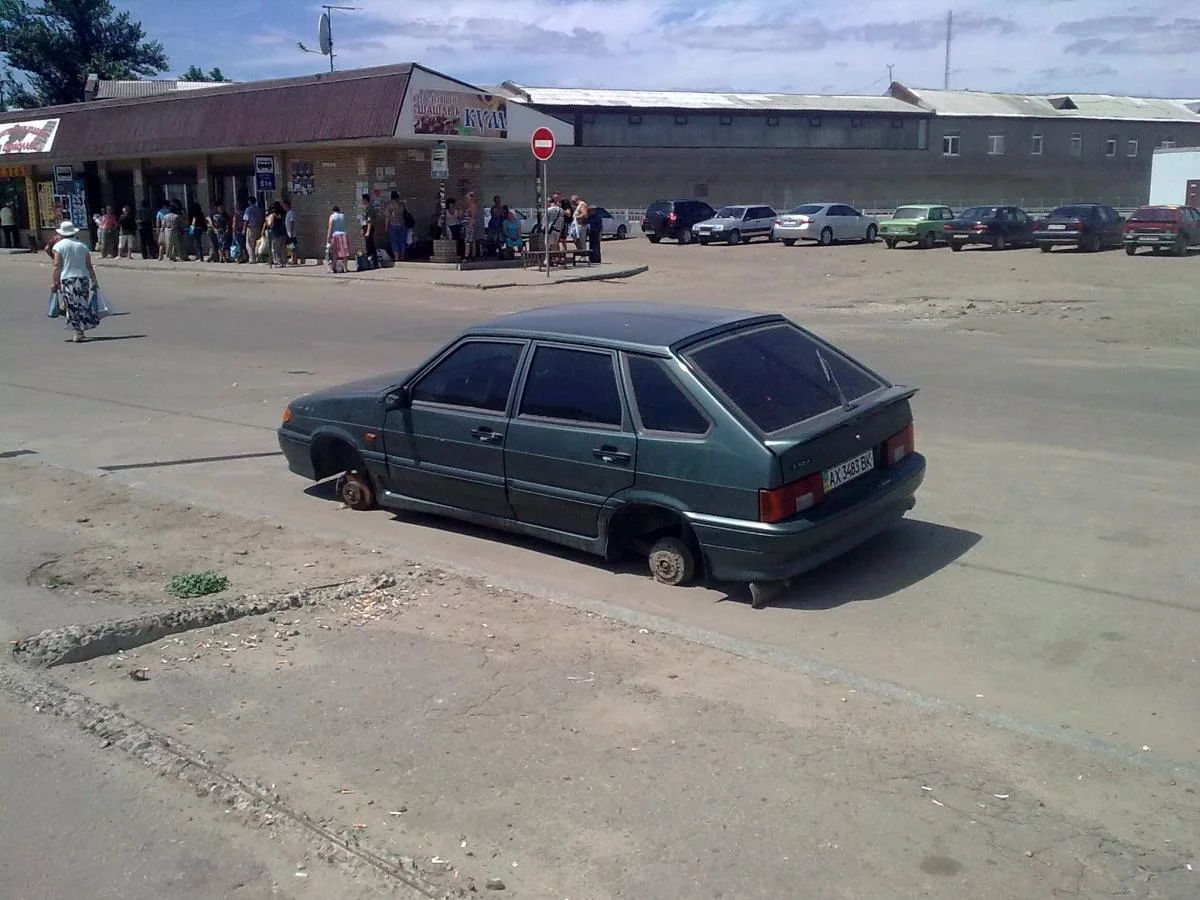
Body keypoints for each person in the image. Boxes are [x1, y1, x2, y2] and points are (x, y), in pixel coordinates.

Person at [49, 220, 100, 343]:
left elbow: (57, 265)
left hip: (68, 279)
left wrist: (54, 281)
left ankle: (78, 331)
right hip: (83, 278)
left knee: (72, 306)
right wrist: (94, 281)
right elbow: (89, 265)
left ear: (62, 233)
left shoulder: (59, 246)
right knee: (81, 304)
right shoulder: (82, 246)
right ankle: (79, 327)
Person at [385, 191, 409, 262]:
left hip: (393, 225)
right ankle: (402, 256)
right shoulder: (402, 204)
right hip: (403, 224)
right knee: (402, 241)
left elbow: (387, 217)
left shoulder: (389, 205)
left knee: (394, 241)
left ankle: (396, 257)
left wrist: (386, 227)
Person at [326, 205, 350, 273]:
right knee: (345, 252)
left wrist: (328, 238)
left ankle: (332, 268)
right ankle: (345, 268)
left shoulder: (332, 216)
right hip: (344, 235)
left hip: (336, 235)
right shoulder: (343, 216)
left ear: (333, 211)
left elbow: (330, 227)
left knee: (335, 252)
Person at [266, 201, 288, 267]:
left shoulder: (272, 215)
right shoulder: (283, 213)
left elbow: (270, 224)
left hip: (276, 233)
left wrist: (267, 221)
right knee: (283, 248)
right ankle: (284, 261)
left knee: (275, 249)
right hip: (283, 232)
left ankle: (278, 262)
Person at [242, 196, 263, 263]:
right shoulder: (259, 209)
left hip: (251, 228)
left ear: (249, 201)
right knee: (258, 243)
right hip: (259, 227)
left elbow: (246, 220)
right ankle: (258, 257)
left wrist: (244, 229)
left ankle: (252, 259)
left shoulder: (248, 209)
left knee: (250, 244)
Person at [359, 193, 378, 265]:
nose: (362, 201)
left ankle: (372, 260)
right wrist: (362, 228)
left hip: (368, 228)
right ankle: (372, 260)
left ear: (365, 200)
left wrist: (368, 231)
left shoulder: (370, 209)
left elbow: (370, 221)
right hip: (365, 227)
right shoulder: (366, 209)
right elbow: (365, 220)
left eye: (363, 200)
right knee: (369, 244)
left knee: (369, 244)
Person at [462, 192, 481, 260]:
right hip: (467, 225)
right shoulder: (469, 206)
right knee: (471, 241)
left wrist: (469, 226)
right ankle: (472, 255)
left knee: (468, 241)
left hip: (470, 226)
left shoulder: (473, 206)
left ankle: (467, 255)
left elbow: (473, 217)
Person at [283, 199, 300, 265]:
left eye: (284, 205)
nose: (283, 207)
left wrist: (291, 232)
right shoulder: (288, 213)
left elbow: (292, 223)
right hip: (288, 232)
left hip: (291, 233)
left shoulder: (291, 213)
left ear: (287, 205)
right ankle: (292, 258)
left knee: (293, 247)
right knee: (290, 247)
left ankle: (295, 259)